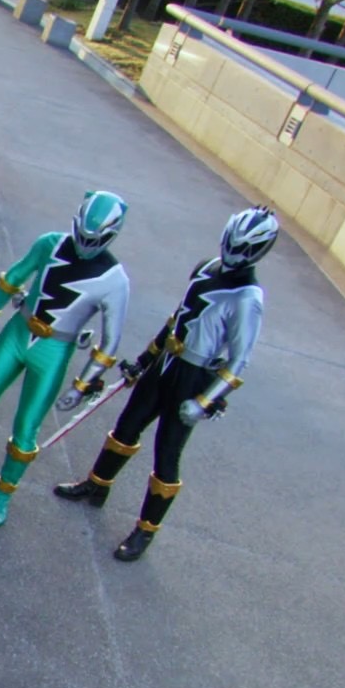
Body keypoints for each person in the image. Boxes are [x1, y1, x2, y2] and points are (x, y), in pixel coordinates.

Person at [52, 205, 277, 561]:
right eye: (233, 242)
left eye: (244, 247)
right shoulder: (206, 267)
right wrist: (145, 360)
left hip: (194, 377)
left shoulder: (249, 298)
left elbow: (239, 361)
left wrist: (204, 401)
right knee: (126, 427)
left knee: (167, 453)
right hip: (165, 364)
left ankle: (145, 530)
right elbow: (176, 320)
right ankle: (96, 485)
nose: (234, 251)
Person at [0, 191, 130, 527]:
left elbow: (111, 342)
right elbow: (12, 278)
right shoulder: (50, 243)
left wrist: (82, 384)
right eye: (81, 234)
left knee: (26, 432)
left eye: (93, 239)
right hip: (19, 332)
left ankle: (2, 496)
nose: (84, 244)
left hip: (54, 351)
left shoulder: (115, 281)